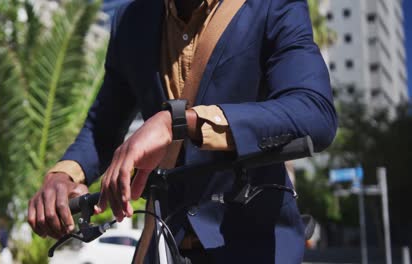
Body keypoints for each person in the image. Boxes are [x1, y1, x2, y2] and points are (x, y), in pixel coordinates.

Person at [28, 0, 337, 262]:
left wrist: (178, 122)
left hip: (253, 245)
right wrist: (65, 175)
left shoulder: (273, 5)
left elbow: (314, 112)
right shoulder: (132, 19)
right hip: (162, 244)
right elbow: (101, 129)